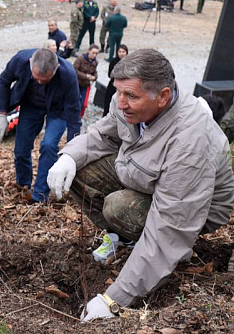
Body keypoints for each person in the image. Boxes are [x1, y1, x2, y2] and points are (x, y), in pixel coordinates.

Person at [47, 49, 234, 321]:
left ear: (163, 96)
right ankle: (126, 237)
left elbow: (169, 228)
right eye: (119, 92)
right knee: (79, 169)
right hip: (144, 173)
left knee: (119, 208)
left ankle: (155, 253)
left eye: (130, 96)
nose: (120, 103)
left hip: (194, 206)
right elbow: (104, 133)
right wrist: (69, 157)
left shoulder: (190, 143)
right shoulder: (128, 102)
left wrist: (114, 298)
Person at [0, 48, 82, 203]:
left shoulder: (68, 74)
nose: (40, 82)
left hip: (58, 110)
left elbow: (74, 113)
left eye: (45, 79)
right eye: (37, 78)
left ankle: (40, 194)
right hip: (31, 105)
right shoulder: (20, 60)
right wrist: (1, 113)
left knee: (48, 145)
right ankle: (23, 184)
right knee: (21, 149)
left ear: (56, 69)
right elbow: (4, 80)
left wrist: (72, 148)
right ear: (30, 64)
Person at [102, 44, 128, 117]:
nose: (121, 53)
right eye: (119, 51)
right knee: (108, 103)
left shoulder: (129, 62)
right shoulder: (113, 61)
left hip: (124, 86)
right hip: (113, 85)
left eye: (123, 51)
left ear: (126, 52)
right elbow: (109, 74)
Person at [73, 44, 99, 110]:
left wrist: (94, 77)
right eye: (93, 53)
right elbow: (74, 70)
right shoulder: (80, 58)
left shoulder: (95, 62)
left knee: (83, 105)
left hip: (85, 84)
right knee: (74, 102)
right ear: (88, 51)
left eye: (96, 53)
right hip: (76, 83)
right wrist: (86, 76)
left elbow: (94, 71)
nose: (94, 55)